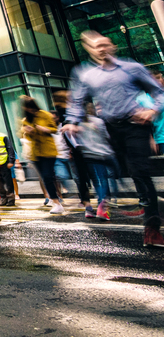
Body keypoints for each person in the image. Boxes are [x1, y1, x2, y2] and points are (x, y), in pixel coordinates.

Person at [62, 31, 164, 248]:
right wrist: (72, 121)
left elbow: (158, 92)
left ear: (112, 46)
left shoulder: (131, 68)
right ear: (89, 50)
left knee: (140, 172)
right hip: (110, 130)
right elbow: (77, 100)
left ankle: (152, 227)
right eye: (96, 46)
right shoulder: (85, 74)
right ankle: (147, 203)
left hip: (135, 125)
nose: (101, 49)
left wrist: (153, 110)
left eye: (104, 44)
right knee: (121, 171)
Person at [20, 96, 64, 215]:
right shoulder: (25, 120)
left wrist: (45, 129)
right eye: (27, 108)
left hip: (48, 150)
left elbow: (54, 129)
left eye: (31, 107)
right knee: (46, 178)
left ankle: (57, 200)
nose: (29, 110)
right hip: (36, 152)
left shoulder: (45, 114)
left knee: (48, 175)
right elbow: (26, 137)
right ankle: (56, 202)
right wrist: (29, 132)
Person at [79, 103, 115, 221]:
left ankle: (100, 204)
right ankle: (102, 206)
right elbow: (107, 137)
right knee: (103, 179)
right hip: (101, 154)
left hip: (87, 156)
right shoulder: (98, 121)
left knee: (96, 181)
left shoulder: (80, 123)